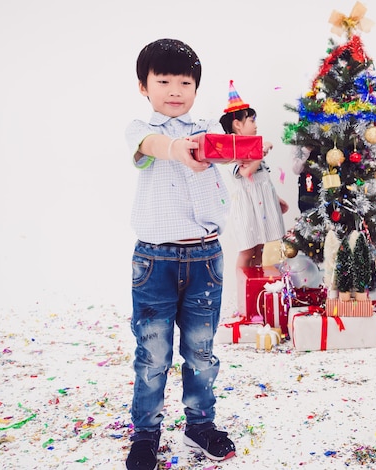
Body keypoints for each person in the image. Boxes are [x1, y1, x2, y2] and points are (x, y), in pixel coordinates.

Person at [125, 39, 235, 469]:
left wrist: (238, 152)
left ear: (195, 87)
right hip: (154, 261)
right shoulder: (140, 130)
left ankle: (200, 424)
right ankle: (146, 433)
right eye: (163, 80)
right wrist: (177, 150)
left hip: (206, 258)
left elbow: (227, 148)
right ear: (144, 86)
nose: (174, 89)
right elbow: (151, 147)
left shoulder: (207, 128)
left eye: (184, 82)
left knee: (202, 351)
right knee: (153, 354)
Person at [219, 81, 288, 287]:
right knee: (248, 249)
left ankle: (258, 288)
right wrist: (261, 149)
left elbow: (263, 179)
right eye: (251, 120)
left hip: (263, 206)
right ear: (238, 124)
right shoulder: (234, 151)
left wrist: (276, 199)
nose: (255, 124)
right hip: (248, 208)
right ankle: (243, 288)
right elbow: (246, 172)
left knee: (262, 249)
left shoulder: (252, 148)